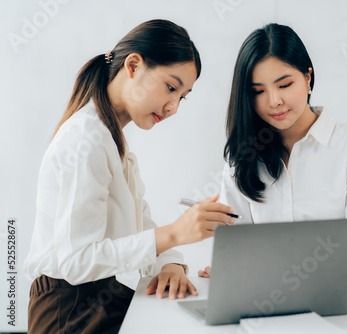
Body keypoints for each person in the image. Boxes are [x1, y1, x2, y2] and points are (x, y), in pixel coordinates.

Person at [24, 19, 235, 334]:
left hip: (98, 300)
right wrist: (175, 234)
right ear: (133, 65)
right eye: (171, 87)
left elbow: (140, 223)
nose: (174, 107)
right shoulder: (86, 141)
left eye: (183, 96)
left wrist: (171, 263)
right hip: (69, 311)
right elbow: (76, 261)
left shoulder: (110, 140)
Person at [198, 23, 347, 279]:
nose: (274, 101)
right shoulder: (242, 156)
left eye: (285, 85)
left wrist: (302, 269)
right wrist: (230, 267)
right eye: (258, 91)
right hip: (260, 298)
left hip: (331, 292)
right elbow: (233, 245)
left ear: (308, 78)